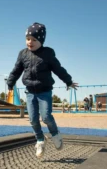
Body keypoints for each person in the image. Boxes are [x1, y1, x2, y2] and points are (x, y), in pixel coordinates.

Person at [7, 22, 78, 158]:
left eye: (34, 40)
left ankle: (55, 134)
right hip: (29, 92)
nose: (30, 42)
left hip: (44, 91)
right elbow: (16, 70)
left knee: (45, 116)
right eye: (28, 39)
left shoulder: (47, 54)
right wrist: (10, 82)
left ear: (41, 41)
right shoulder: (23, 54)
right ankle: (40, 139)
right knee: (33, 119)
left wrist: (68, 81)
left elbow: (58, 69)